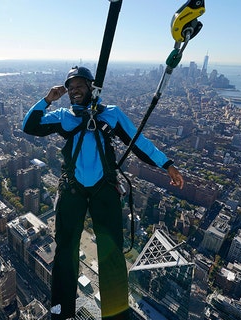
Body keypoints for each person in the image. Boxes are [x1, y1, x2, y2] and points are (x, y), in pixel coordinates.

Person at [22, 66, 184, 320]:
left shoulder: (111, 114)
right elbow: (29, 126)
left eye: (79, 86)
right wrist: (47, 99)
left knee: (112, 254)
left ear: (91, 87)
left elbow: (138, 141)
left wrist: (167, 164)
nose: (74, 91)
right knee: (65, 252)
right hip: (73, 188)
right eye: (70, 88)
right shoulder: (64, 116)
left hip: (104, 189)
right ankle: (60, 313)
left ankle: (116, 315)